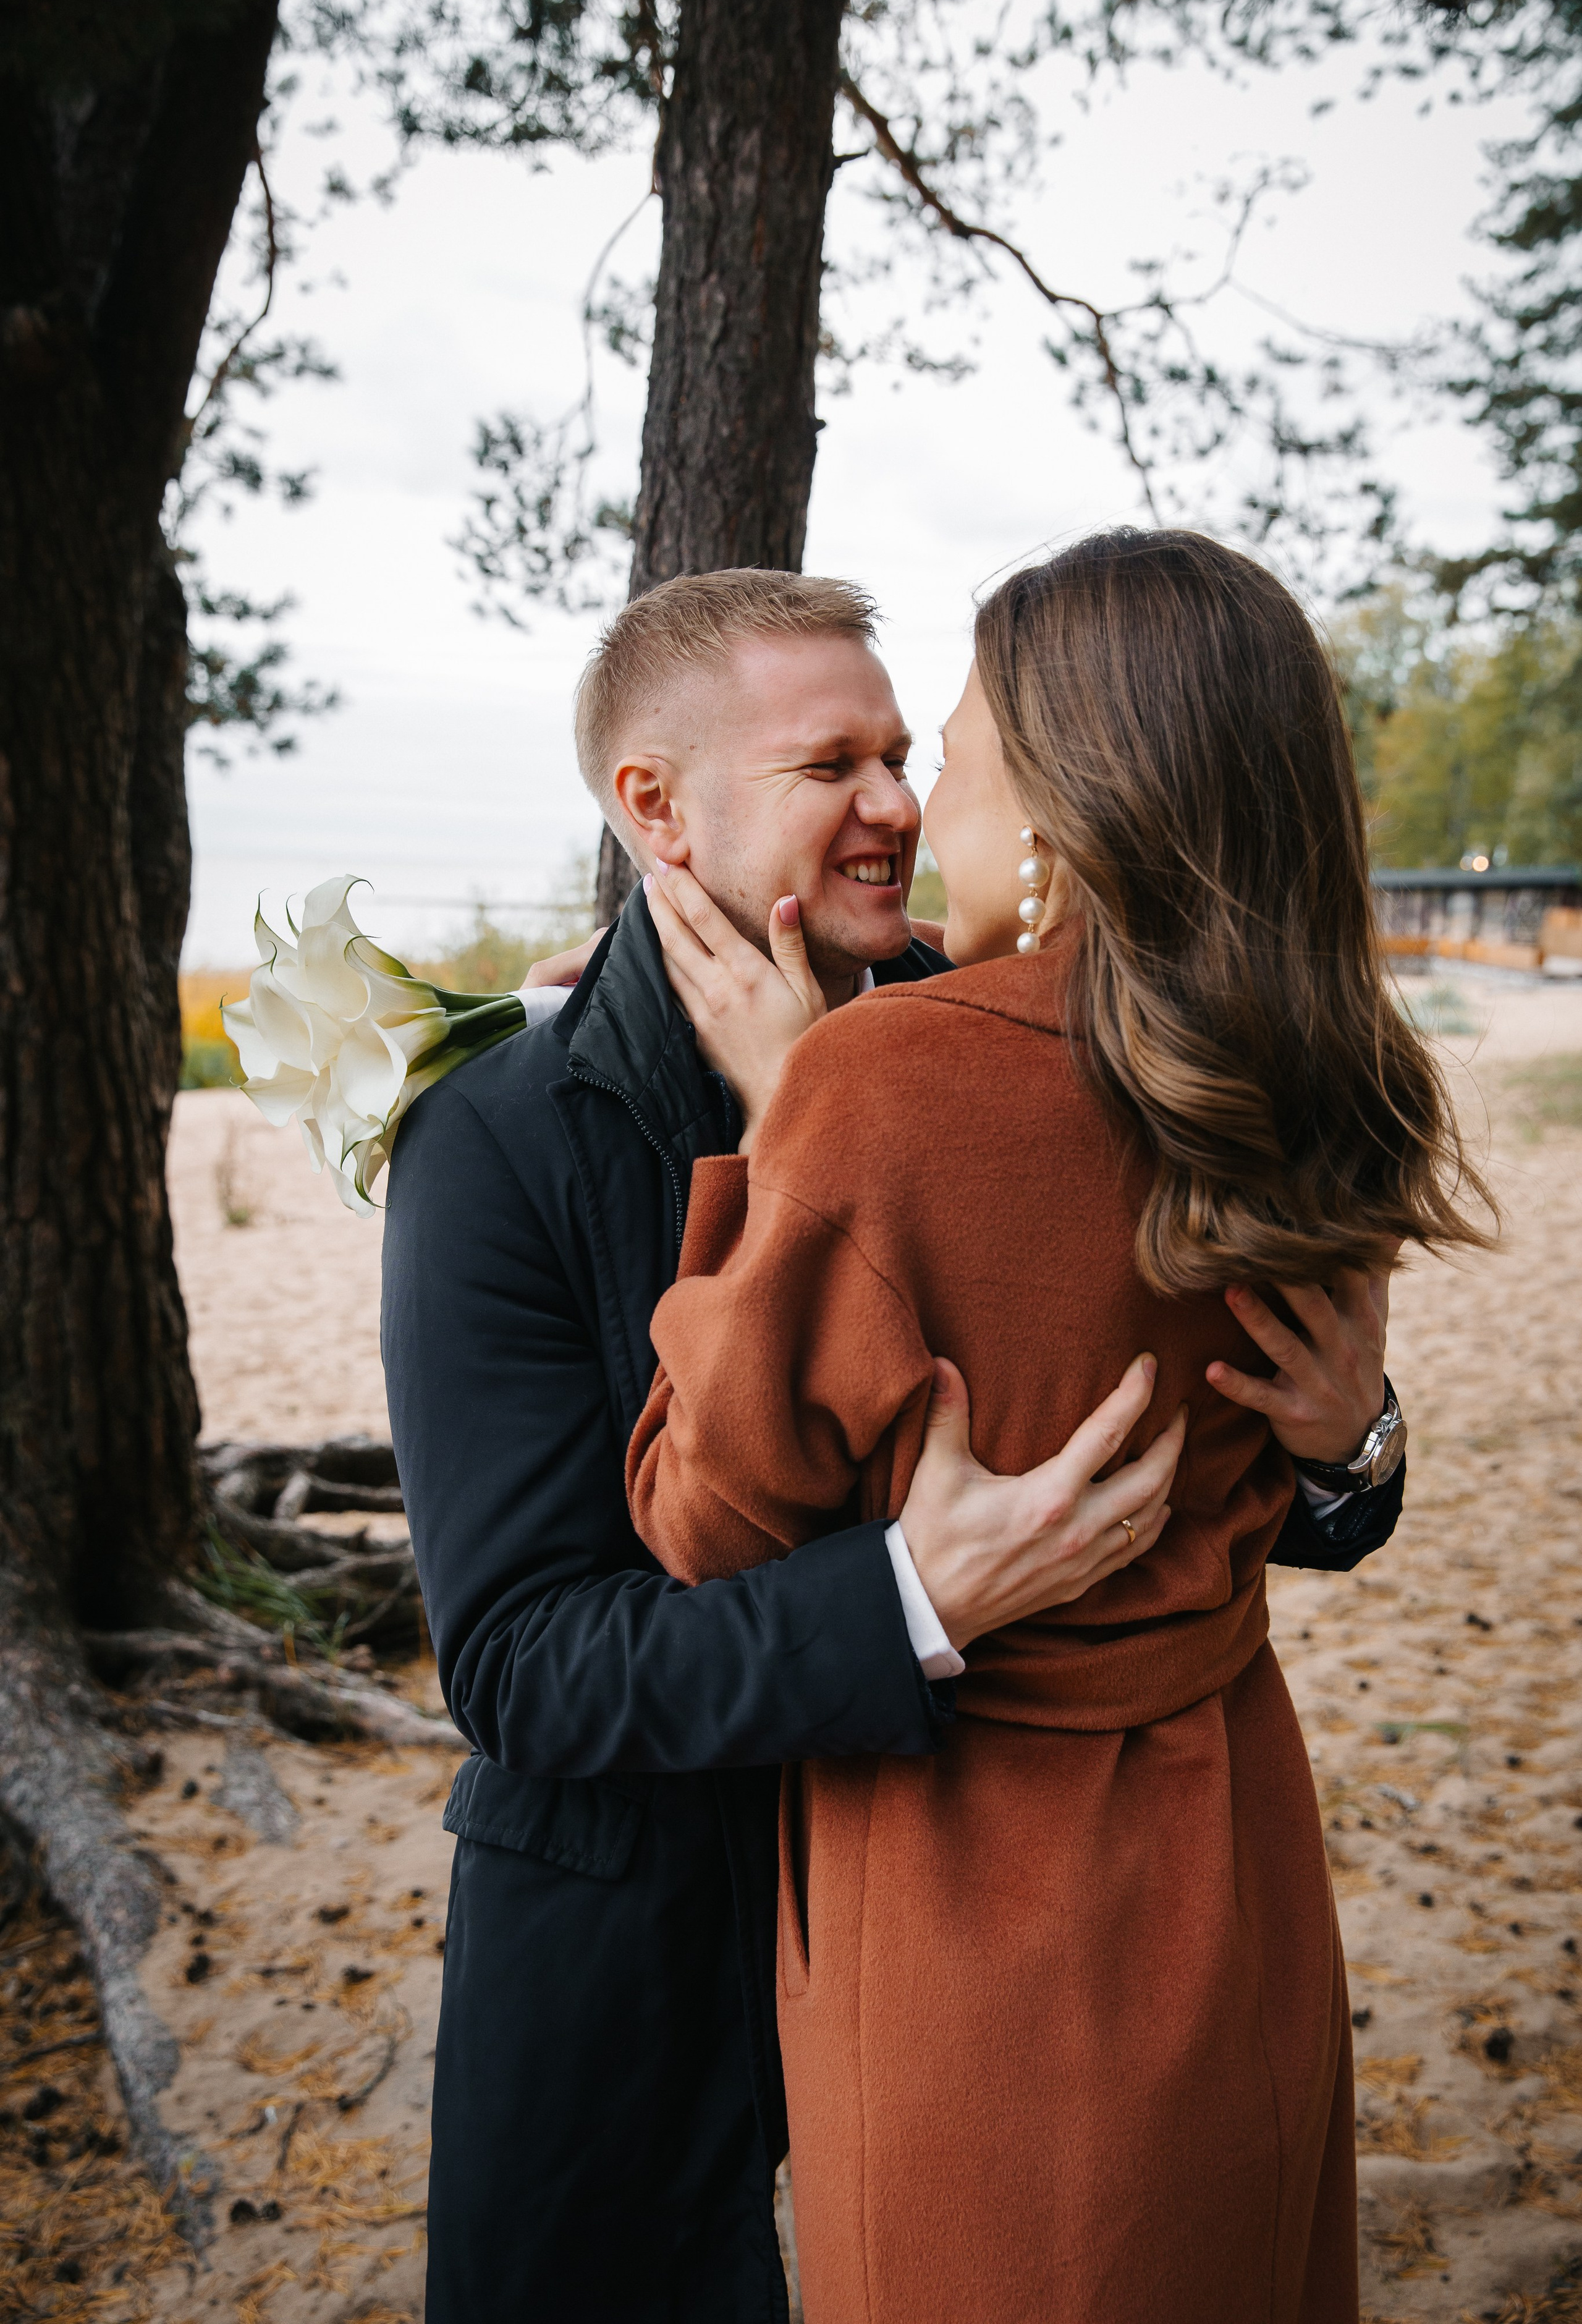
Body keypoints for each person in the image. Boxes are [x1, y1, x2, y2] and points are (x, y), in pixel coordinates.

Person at [382, 569, 1409, 2323]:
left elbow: (1183, 1471)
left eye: (906, 752)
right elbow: (525, 1667)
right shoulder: (492, 1136)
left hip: (978, 1918)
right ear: (656, 807)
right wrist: (914, 1598)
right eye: (832, 766)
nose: (899, 804)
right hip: (645, 1935)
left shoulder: (996, 1029)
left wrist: (1352, 1446)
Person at [627, 535, 1487, 2323]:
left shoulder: (883, 1088)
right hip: (1234, 1856)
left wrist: (785, 1128)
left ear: (1070, 808)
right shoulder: (1316, 1071)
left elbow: (696, 1522)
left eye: (950, 748)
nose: (918, 800)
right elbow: (1277, 1436)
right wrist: (1355, 1451)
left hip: (972, 1905)